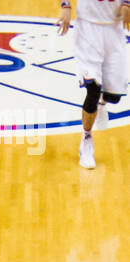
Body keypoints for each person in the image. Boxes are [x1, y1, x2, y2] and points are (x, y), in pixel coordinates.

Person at [59, 0, 130, 168]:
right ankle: (86, 139)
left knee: (113, 97)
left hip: (114, 29)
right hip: (88, 29)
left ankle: (102, 103)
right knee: (92, 89)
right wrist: (66, 6)